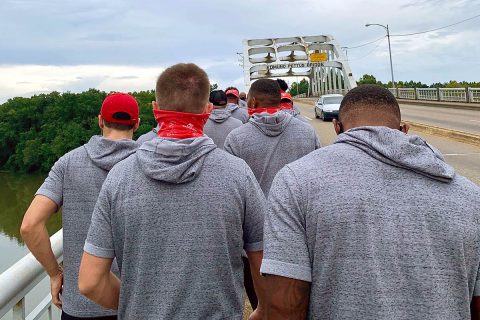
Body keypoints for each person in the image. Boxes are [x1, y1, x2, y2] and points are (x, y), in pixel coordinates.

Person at [261, 84, 480, 319]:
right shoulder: (470, 196)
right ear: (403, 130)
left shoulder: (296, 181)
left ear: (337, 128)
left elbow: (285, 307)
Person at [78, 63, 267, 319]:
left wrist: (138, 306)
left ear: (155, 110)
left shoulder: (120, 178)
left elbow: (90, 282)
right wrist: (264, 309)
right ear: (208, 111)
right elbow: (264, 262)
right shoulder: (238, 174)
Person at [20, 93, 140, 320]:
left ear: (100, 121)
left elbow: (30, 225)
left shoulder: (68, 163)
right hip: (135, 304)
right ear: (137, 123)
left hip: (80, 303)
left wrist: (55, 274)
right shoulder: (146, 165)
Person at [224, 78, 320, 196]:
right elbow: (317, 176)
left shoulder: (236, 138)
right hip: (299, 211)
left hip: (258, 213)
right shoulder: (308, 132)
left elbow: (231, 188)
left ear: (253, 101)